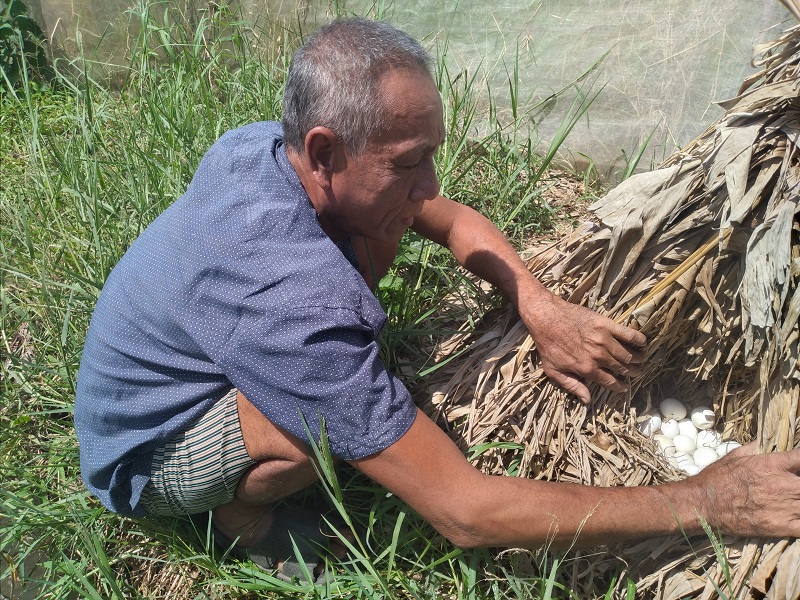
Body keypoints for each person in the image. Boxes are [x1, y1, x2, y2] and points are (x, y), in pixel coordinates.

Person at [74, 17, 800, 583]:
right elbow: (465, 512)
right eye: (406, 163)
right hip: (143, 447)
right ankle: (240, 517)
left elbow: (449, 220)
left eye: (432, 154)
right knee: (338, 413)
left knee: (356, 345)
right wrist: (704, 501)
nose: (428, 186)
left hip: (200, 346)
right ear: (324, 151)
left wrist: (536, 303)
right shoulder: (291, 301)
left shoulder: (271, 151)